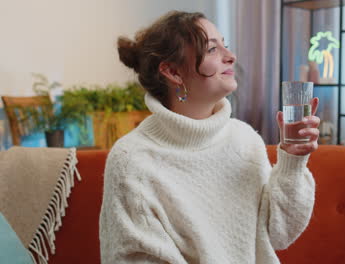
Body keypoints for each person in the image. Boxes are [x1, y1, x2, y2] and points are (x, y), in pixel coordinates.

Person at [99, 10, 321, 264]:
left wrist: (292, 163)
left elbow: (279, 234)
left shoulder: (244, 139)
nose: (231, 56)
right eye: (213, 49)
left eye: (225, 45)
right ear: (173, 72)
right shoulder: (132, 161)